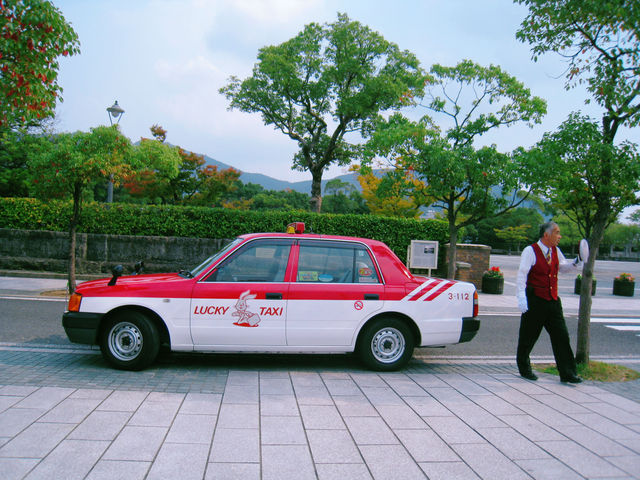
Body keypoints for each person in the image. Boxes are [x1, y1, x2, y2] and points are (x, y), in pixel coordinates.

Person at [515, 221, 583, 383]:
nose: (559, 236)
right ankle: (524, 368)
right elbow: (521, 275)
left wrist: (576, 262)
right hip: (535, 300)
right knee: (528, 337)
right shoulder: (530, 251)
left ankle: (568, 373)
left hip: (552, 300)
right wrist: (522, 298)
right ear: (547, 234)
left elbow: (562, 267)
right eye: (557, 233)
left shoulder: (555, 251)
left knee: (561, 336)